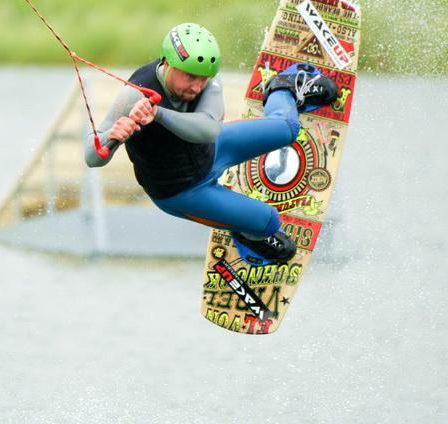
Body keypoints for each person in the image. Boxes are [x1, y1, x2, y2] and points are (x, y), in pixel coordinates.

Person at [84, 23, 339, 263]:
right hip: (183, 193)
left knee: (287, 129)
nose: (197, 86)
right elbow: (92, 158)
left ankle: (282, 87)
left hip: (214, 150)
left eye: (203, 78)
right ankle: (247, 232)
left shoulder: (207, 80)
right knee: (269, 222)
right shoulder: (133, 95)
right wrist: (113, 138)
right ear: (167, 63)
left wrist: (158, 114)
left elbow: (208, 131)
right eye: (189, 77)